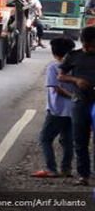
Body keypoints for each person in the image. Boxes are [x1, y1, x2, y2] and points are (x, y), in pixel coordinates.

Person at [32, 37, 77, 178]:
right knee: (67, 140)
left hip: (57, 110)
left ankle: (51, 169)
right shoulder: (76, 67)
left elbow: (56, 89)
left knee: (45, 138)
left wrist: (71, 96)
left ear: (54, 51)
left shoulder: (53, 66)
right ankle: (66, 168)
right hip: (73, 110)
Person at [58, 27, 95, 185]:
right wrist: (76, 80)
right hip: (80, 102)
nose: (87, 48)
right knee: (80, 140)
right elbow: (61, 76)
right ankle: (83, 175)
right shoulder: (74, 56)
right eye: (85, 44)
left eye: (91, 44)